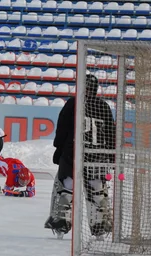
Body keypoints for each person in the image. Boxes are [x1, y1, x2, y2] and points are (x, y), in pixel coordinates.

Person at [44, 74, 116, 238]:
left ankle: (61, 227)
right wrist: (111, 155)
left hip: (73, 153)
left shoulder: (73, 103)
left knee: (66, 189)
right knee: (97, 192)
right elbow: (111, 133)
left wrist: (58, 148)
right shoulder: (103, 106)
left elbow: (62, 129)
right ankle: (100, 230)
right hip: (98, 156)